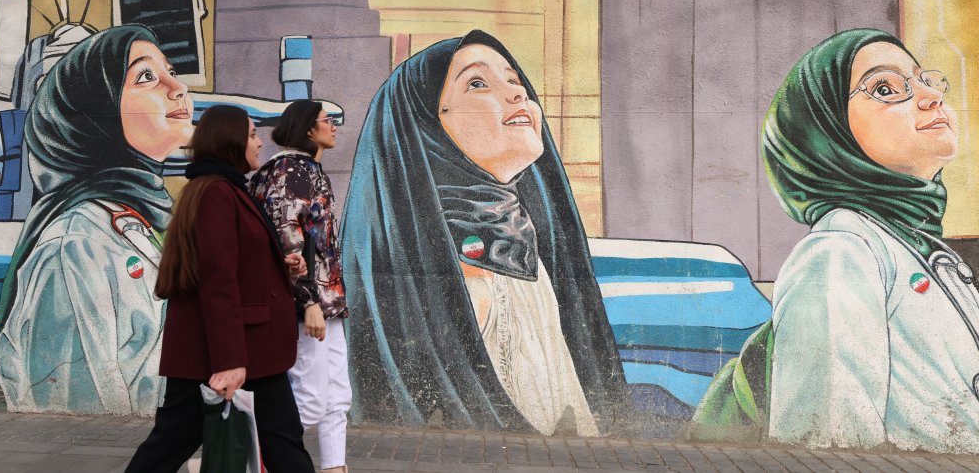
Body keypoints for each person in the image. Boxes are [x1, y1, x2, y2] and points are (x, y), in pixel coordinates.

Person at [340, 30, 630, 436]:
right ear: (429, 126)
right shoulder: (428, 263)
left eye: (515, 80)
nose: (518, 95)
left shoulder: (529, 243)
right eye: (478, 83)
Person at [763, 27, 979, 452]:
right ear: (825, 133)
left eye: (923, 79)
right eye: (885, 87)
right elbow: (825, 442)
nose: (931, 96)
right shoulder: (841, 252)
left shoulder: (914, 242)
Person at [0, 25, 193, 416]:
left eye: (171, 72)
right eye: (146, 76)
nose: (177, 88)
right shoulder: (75, 246)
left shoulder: (138, 222)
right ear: (96, 115)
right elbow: (70, 408)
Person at [127, 104, 316, 472]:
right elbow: (218, 280)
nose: (260, 143)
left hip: (238, 350)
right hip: (234, 352)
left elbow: (234, 264)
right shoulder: (217, 193)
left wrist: (281, 266)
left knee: (280, 442)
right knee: (174, 443)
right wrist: (230, 362)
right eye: (250, 134)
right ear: (229, 141)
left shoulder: (221, 188)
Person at [249, 99, 349, 473]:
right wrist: (306, 300)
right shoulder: (290, 171)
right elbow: (287, 238)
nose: (334, 126)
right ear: (309, 129)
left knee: (338, 396)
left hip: (329, 300)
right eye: (328, 120)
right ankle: (244, 454)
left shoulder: (310, 169)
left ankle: (335, 467)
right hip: (307, 303)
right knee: (310, 399)